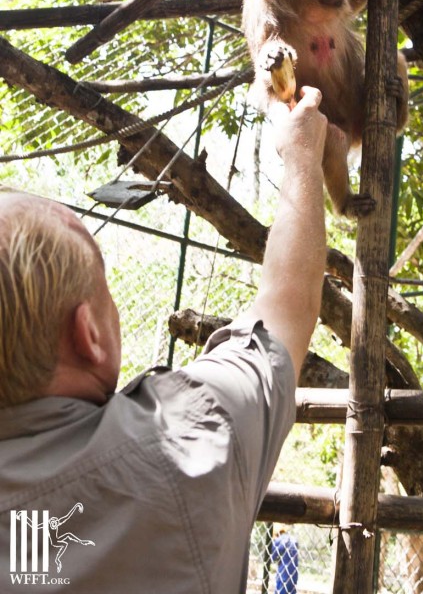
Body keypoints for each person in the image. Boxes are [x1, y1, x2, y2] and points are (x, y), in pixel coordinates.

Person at [0, 87, 328, 594]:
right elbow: (287, 307)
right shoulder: (188, 440)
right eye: (104, 290)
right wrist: (303, 154)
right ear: (88, 335)